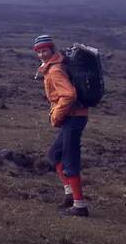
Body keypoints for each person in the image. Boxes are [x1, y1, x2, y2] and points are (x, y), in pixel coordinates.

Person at [33, 34, 90, 217]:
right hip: (72, 117)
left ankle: (80, 206)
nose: (42, 54)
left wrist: (56, 116)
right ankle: (70, 195)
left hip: (73, 118)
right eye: (39, 51)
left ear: (52, 49)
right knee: (54, 154)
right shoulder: (54, 65)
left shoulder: (56, 69)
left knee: (69, 160)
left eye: (45, 50)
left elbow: (69, 95)